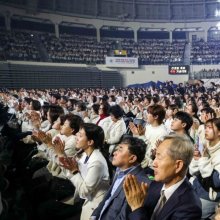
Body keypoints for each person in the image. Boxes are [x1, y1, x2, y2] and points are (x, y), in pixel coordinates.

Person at [123, 134, 202, 220]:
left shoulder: (190, 208)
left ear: (178, 166)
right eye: (155, 156)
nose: (153, 163)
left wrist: (137, 208)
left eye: (159, 157)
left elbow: (138, 212)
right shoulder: (156, 184)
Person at [91, 136, 151, 220]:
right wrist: (94, 215)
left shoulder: (140, 183)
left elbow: (125, 216)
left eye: (120, 150)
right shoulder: (120, 171)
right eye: (117, 149)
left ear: (132, 158)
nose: (115, 153)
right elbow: (108, 198)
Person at [189, 118, 220, 219]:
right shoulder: (206, 146)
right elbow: (193, 172)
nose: (206, 130)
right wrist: (196, 158)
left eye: (210, 128)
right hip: (195, 187)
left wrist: (203, 159)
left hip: (207, 196)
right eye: (205, 127)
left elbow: (216, 182)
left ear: (219, 132)